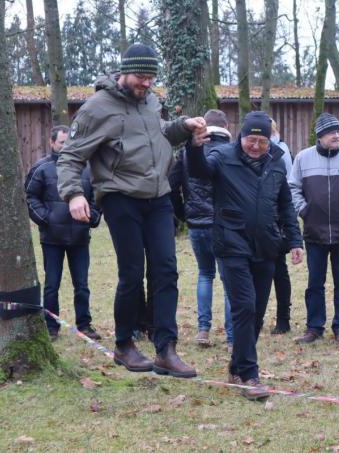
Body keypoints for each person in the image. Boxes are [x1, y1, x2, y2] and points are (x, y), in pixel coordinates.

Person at [57, 43, 205, 378]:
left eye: (151, 77)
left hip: (158, 196)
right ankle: (124, 344)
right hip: (120, 196)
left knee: (166, 270)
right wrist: (73, 195)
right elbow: (70, 156)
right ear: (124, 72)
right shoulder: (97, 108)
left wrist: (184, 126)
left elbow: (161, 133)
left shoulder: (151, 101)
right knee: (132, 272)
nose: (147, 83)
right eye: (141, 76)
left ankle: (166, 349)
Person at [186, 111, 304, 400]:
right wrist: (194, 147)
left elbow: (286, 204)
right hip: (231, 242)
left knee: (257, 313)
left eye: (262, 141)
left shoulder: (276, 162)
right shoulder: (223, 156)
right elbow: (199, 171)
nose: (256, 146)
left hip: (266, 246)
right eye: (251, 140)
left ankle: (237, 365)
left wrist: (295, 240)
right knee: (245, 307)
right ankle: (250, 375)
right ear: (241, 137)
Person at [290, 113, 339, 346]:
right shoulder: (303, 158)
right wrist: (304, 210)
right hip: (314, 232)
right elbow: (293, 187)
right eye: (331, 132)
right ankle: (314, 327)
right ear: (320, 136)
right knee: (315, 283)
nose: (337, 135)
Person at [25, 125, 102, 341]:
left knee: (82, 285)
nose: (66, 147)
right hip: (52, 239)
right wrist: (46, 219)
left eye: (69, 143)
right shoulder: (41, 168)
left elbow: (98, 196)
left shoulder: (86, 168)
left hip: (79, 237)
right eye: (61, 143)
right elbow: (30, 197)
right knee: (52, 285)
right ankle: (51, 327)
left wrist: (93, 218)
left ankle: (84, 325)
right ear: (51, 143)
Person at [168, 109, 233, 349]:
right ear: (225, 125)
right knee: (229, 279)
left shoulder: (186, 153)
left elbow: (172, 186)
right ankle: (232, 334)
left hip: (197, 224)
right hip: (224, 225)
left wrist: (184, 214)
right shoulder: (232, 152)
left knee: (205, 274)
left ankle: (203, 329)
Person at [268, 118, 295, 335]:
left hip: (277, 222)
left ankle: (283, 318)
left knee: (279, 271)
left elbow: (287, 190)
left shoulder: (281, 153)